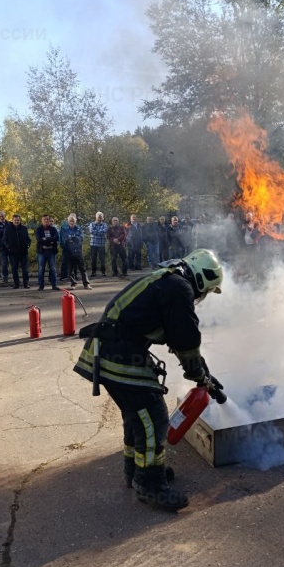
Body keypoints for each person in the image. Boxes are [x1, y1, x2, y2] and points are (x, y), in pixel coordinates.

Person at [72, 249, 225, 511]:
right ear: (202, 279)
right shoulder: (179, 289)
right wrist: (198, 374)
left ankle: (136, 470)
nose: (203, 297)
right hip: (119, 354)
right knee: (153, 417)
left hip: (114, 349)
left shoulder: (168, 280)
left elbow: (178, 336)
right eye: (208, 291)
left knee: (137, 416)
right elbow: (185, 339)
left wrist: (204, 371)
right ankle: (150, 483)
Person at [61, 213, 91, 290]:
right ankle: (73, 283)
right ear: (68, 221)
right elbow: (65, 240)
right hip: (69, 252)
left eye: (73, 221)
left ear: (75, 221)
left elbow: (81, 238)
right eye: (70, 221)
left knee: (82, 269)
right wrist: (72, 239)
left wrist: (73, 238)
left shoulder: (79, 228)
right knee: (70, 269)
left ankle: (86, 284)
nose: (72, 222)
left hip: (78, 251)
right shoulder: (65, 229)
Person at [4, 213, 31, 289]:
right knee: (14, 268)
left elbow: (28, 239)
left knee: (25, 269)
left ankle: (26, 284)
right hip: (13, 252)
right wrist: (8, 247)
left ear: (20, 220)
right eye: (15, 220)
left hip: (23, 252)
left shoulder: (24, 228)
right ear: (12, 220)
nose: (16, 221)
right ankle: (16, 284)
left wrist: (28, 245)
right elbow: (4, 240)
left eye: (18, 220)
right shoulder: (8, 228)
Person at [35, 215, 60, 291]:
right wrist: (50, 241)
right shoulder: (38, 229)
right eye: (44, 219)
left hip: (51, 252)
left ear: (49, 221)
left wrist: (46, 239)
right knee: (41, 269)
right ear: (42, 220)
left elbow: (56, 238)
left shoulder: (53, 229)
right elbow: (39, 240)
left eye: (47, 219)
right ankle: (41, 285)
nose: (46, 221)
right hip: (42, 252)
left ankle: (54, 285)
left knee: (53, 268)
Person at [89, 211, 108, 278]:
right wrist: (100, 232)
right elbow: (92, 231)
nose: (99, 218)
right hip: (93, 244)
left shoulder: (104, 225)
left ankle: (103, 272)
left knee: (102, 259)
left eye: (101, 217)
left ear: (102, 218)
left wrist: (97, 232)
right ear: (96, 217)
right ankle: (93, 272)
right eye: (98, 217)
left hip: (101, 244)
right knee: (93, 259)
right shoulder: (91, 224)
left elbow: (104, 231)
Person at [0, 211, 10, 284]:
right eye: (0, 216)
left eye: (2, 216)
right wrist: (5, 231)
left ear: (5, 216)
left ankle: (16, 277)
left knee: (13, 263)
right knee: (4, 263)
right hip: (2, 247)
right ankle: (5, 277)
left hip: (10, 246)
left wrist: (3, 231)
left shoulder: (10, 223)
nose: (1, 217)